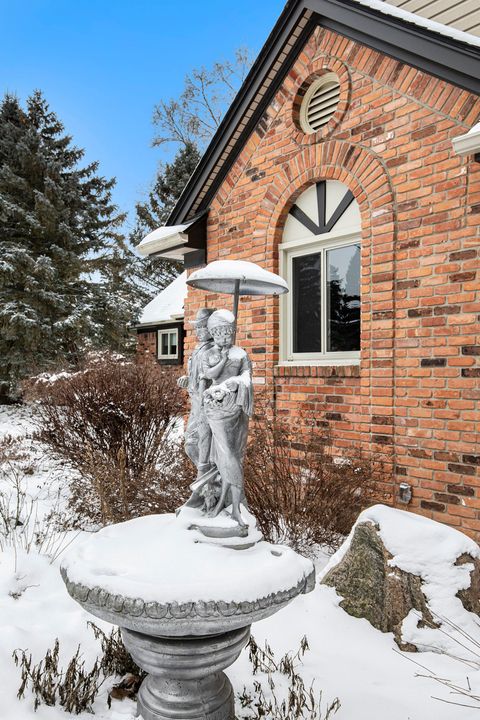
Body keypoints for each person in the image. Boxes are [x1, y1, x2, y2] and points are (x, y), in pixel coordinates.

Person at [200, 309, 253, 527]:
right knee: (226, 454)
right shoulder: (208, 354)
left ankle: (232, 503)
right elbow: (210, 375)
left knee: (235, 454)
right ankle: (234, 505)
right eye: (220, 334)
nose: (225, 338)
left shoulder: (241, 354)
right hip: (215, 408)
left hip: (236, 407)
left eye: (228, 334)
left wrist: (238, 382)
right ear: (213, 334)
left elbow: (248, 376)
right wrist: (222, 360)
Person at [177, 308, 214, 477]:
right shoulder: (198, 349)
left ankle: (209, 476)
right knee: (191, 443)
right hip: (196, 404)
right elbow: (196, 375)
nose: (199, 331)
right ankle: (209, 477)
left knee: (196, 444)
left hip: (207, 405)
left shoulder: (215, 350)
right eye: (197, 328)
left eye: (203, 327)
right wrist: (187, 379)